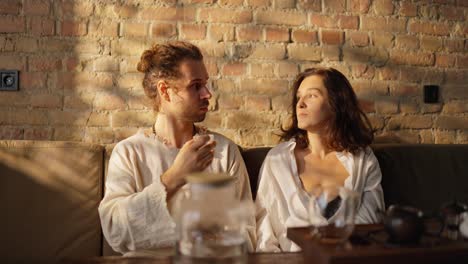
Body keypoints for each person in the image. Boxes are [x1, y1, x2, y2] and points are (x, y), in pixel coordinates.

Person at [99, 41, 255, 256]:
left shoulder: (223, 151)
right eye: (195, 85)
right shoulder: (129, 152)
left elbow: (247, 231)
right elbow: (116, 230)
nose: (207, 94)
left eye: (206, 84)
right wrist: (174, 177)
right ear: (165, 90)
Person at [255, 67, 385, 252]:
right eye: (299, 97)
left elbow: (370, 224)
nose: (300, 104)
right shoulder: (278, 160)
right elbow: (264, 232)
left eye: (312, 96)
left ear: (336, 103)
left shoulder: (363, 160)